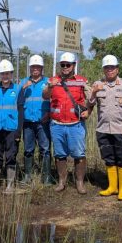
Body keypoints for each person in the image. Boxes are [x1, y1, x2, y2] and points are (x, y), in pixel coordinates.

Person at [86, 55, 122, 201]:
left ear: (117, 69)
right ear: (103, 69)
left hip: (121, 129)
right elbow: (90, 103)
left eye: (112, 68)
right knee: (108, 158)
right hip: (103, 128)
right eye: (107, 68)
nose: (109, 70)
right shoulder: (97, 83)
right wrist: (94, 92)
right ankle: (112, 187)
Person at [42, 52, 89, 194]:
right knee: (60, 154)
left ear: (74, 65)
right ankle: (62, 181)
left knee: (79, 154)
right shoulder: (53, 80)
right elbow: (45, 95)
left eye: (68, 65)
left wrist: (89, 111)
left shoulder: (81, 81)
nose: (65, 67)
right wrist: (50, 87)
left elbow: (92, 97)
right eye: (62, 65)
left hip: (76, 124)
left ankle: (79, 182)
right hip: (57, 124)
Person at [0, 59, 25, 194]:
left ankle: (9, 186)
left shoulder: (18, 89)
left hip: (11, 128)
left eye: (7, 73)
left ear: (11, 74)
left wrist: (19, 130)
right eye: (2, 74)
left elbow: (20, 110)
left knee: (11, 156)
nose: (5, 76)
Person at [20, 54, 52, 184]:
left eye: (38, 67)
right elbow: (16, 99)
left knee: (45, 149)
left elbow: (54, 100)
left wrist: (49, 113)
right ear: (30, 68)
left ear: (42, 68)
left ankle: (46, 177)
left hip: (43, 121)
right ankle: (28, 175)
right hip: (28, 122)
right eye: (33, 67)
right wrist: (23, 89)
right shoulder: (23, 82)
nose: (35, 69)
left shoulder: (48, 82)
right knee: (28, 149)